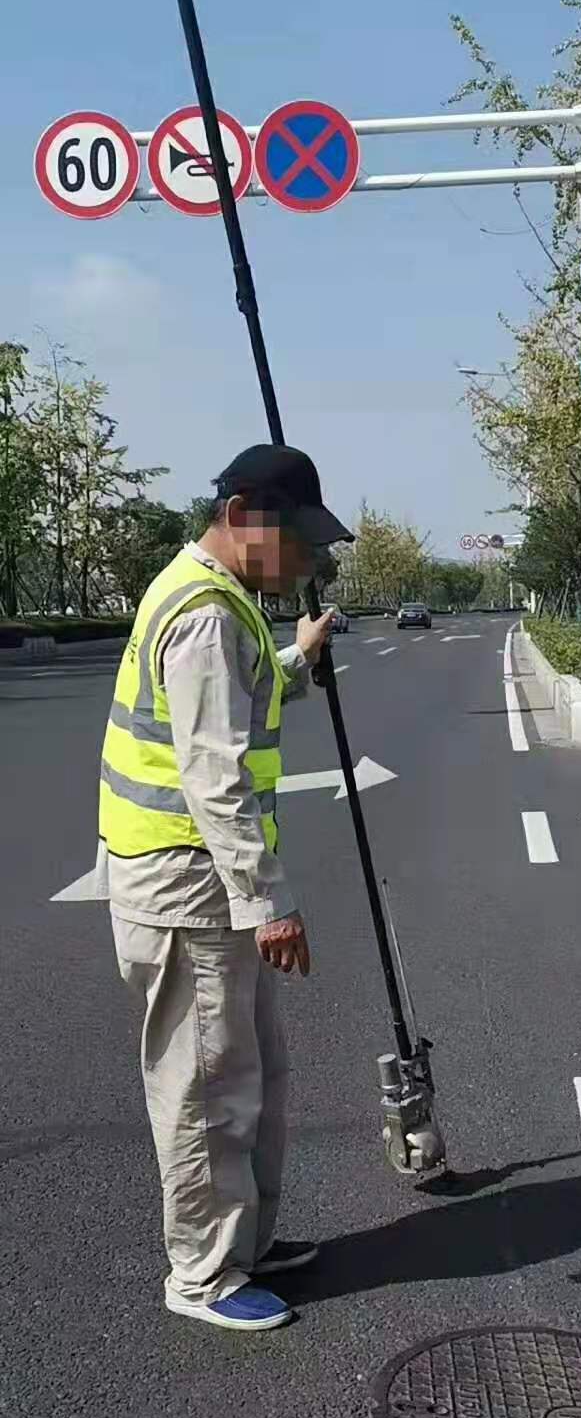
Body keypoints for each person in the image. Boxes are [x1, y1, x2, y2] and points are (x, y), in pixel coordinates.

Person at [97, 443, 353, 1332]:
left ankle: (241, 1241)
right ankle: (203, 1275)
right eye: (299, 542)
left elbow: (230, 707)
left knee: (250, 1073)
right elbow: (215, 776)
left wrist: (296, 658)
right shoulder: (207, 612)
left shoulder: (218, 598)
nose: (308, 563)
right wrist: (268, 901)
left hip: (198, 884)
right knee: (209, 1089)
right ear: (244, 515)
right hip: (187, 885)